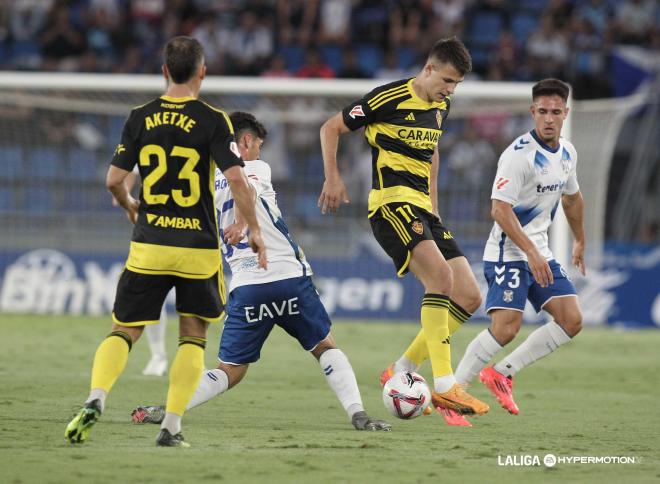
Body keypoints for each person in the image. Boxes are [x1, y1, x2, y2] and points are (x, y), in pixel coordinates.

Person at [131, 112, 391, 432]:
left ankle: (170, 407)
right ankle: (358, 414)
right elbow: (247, 190)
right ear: (246, 141)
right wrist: (243, 222)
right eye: (258, 145)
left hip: (246, 286)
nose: (260, 152)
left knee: (230, 370)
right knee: (324, 346)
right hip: (286, 275)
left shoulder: (204, 182)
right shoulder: (255, 167)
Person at [64, 36, 267, 448]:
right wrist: (254, 228)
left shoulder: (140, 116)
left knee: (124, 329)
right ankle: (171, 427)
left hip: (150, 244)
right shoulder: (214, 120)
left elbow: (113, 180)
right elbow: (236, 178)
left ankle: (95, 397)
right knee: (192, 335)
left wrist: (129, 206)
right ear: (202, 72)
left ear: (164, 72)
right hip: (197, 249)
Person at [317, 37, 489, 427]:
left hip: (424, 208)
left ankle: (403, 365)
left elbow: (433, 153)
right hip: (391, 204)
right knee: (441, 280)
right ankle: (445, 383)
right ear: (428, 69)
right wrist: (333, 178)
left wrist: (435, 204)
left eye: (456, 84)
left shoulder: (442, 105)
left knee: (469, 295)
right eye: (447, 80)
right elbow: (330, 128)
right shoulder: (388, 98)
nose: (450, 89)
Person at [454, 78, 585, 416]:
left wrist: (580, 239)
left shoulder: (567, 152)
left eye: (556, 112)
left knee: (571, 320)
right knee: (507, 327)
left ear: (565, 113)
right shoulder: (518, 156)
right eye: (542, 111)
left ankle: (501, 374)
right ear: (532, 112)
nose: (549, 118)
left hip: (539, 251)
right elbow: (499, 209)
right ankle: (453, 392)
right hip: (507, 253)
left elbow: (572, 199)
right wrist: (529, 251)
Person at [113, 168, 169, 377]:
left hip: (194, 225)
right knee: (155, 292)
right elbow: (128, 170)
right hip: (157, 224)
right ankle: (159, 356)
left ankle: (188, 360)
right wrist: (125, 194)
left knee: (194, 302)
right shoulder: (150, 136)